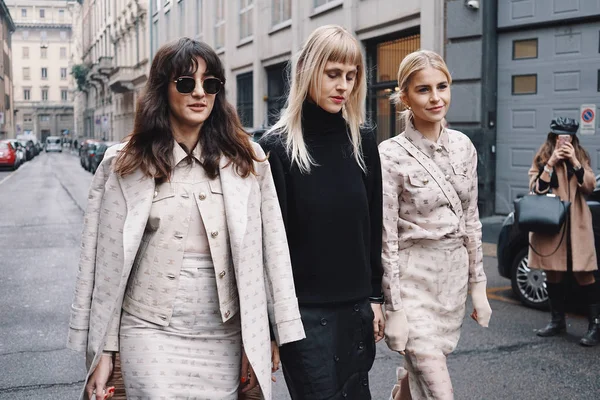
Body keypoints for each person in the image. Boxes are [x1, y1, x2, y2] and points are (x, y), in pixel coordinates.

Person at [66, 38, 305, 400]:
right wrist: (103, 352)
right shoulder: (123, 163)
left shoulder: (247, 160)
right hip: (148, 331)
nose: (199, 93)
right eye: (185, 83)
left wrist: (269, 331)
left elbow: (273, 250)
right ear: (163, 90)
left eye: (210, 84)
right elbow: (102, 266)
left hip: (223, 335)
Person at [259, 25, 384, 399]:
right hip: (303, 317)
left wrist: (375, 298)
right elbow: (269, 247)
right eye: (333, 74)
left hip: (356, 310)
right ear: (307, 71)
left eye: (350, 76)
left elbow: (372, 225)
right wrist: (270, 329)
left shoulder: (362, 140)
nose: (343, 85)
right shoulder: (276, 148)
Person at [378, 50, 492, 400]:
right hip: (413, 283)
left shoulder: (464, 147)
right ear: (405, 96)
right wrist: (394, 307)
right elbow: (387, 237)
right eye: (423, 89)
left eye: (442, 86)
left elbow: (471, 220)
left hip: (451, 282)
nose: (435, 97)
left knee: (418, 380)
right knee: (439, 391)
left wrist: (478, 286)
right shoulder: (390, 154)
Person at [529, 117, 599, 346]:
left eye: (567, 137)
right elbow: (537, 189)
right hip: (551, 225)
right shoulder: (542, 157)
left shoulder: (581, 156)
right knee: (553, 272)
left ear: (573, 138)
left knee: (584, 273)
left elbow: (589, 187)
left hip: (576, 224)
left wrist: (574, 162)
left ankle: (595, 325)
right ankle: (557, 321)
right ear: (553, 137)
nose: (563, 141)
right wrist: (550, 163)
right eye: (559, 136)